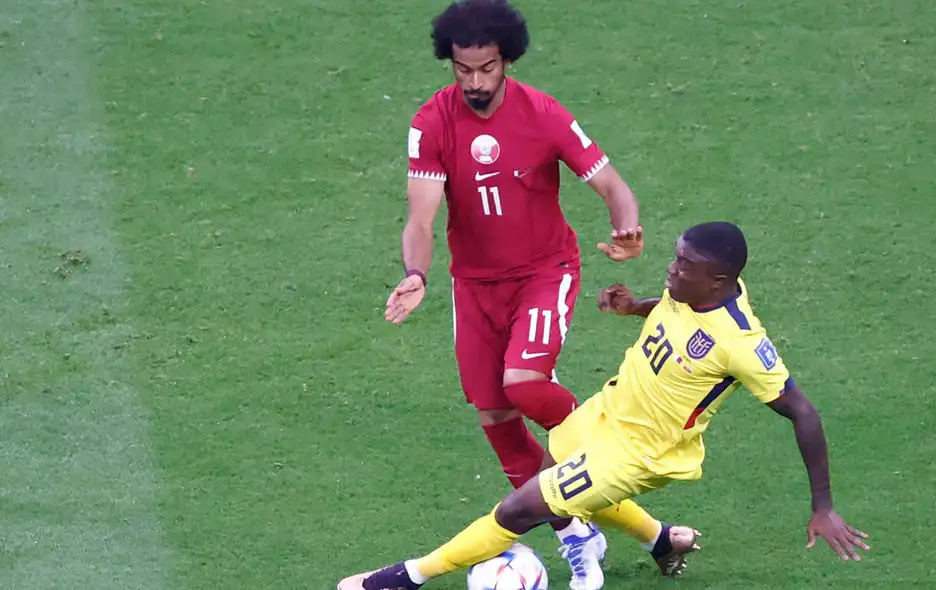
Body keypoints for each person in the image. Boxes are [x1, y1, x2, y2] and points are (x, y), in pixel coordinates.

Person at [345, 221, 870, 590]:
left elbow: (803, 411)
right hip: (610, 408)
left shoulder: (742, 342)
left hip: (639, 453)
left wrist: (822, 505)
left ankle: (404, 578)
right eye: (675, 256)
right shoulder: (692, 290)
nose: (672, 269)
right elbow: (673, 315)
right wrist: (633, 307)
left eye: (685, 265)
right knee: (555, 471)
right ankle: (661, 541)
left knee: (520, 508)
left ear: (720, 281)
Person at [383, 0, 645, 585]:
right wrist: (417, 274)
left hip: (544, 272)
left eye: (487, 68)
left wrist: (626, 230)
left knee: (523, 383)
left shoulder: (543, 114)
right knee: (495, 414)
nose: (474, 81)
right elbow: (421, 219)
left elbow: (611, 184)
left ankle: (599, 436)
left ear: (508, 60)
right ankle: (576, 531)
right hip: (473, 285)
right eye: (462, 69)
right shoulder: (431, 123)